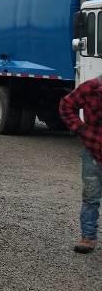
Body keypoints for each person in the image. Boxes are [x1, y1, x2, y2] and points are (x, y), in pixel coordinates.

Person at [59, 74, 102, 253]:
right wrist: (79, 128)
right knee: (91, 198)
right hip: (93, 149)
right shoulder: (91, 87)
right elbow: (66, 105)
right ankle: (88, 238)